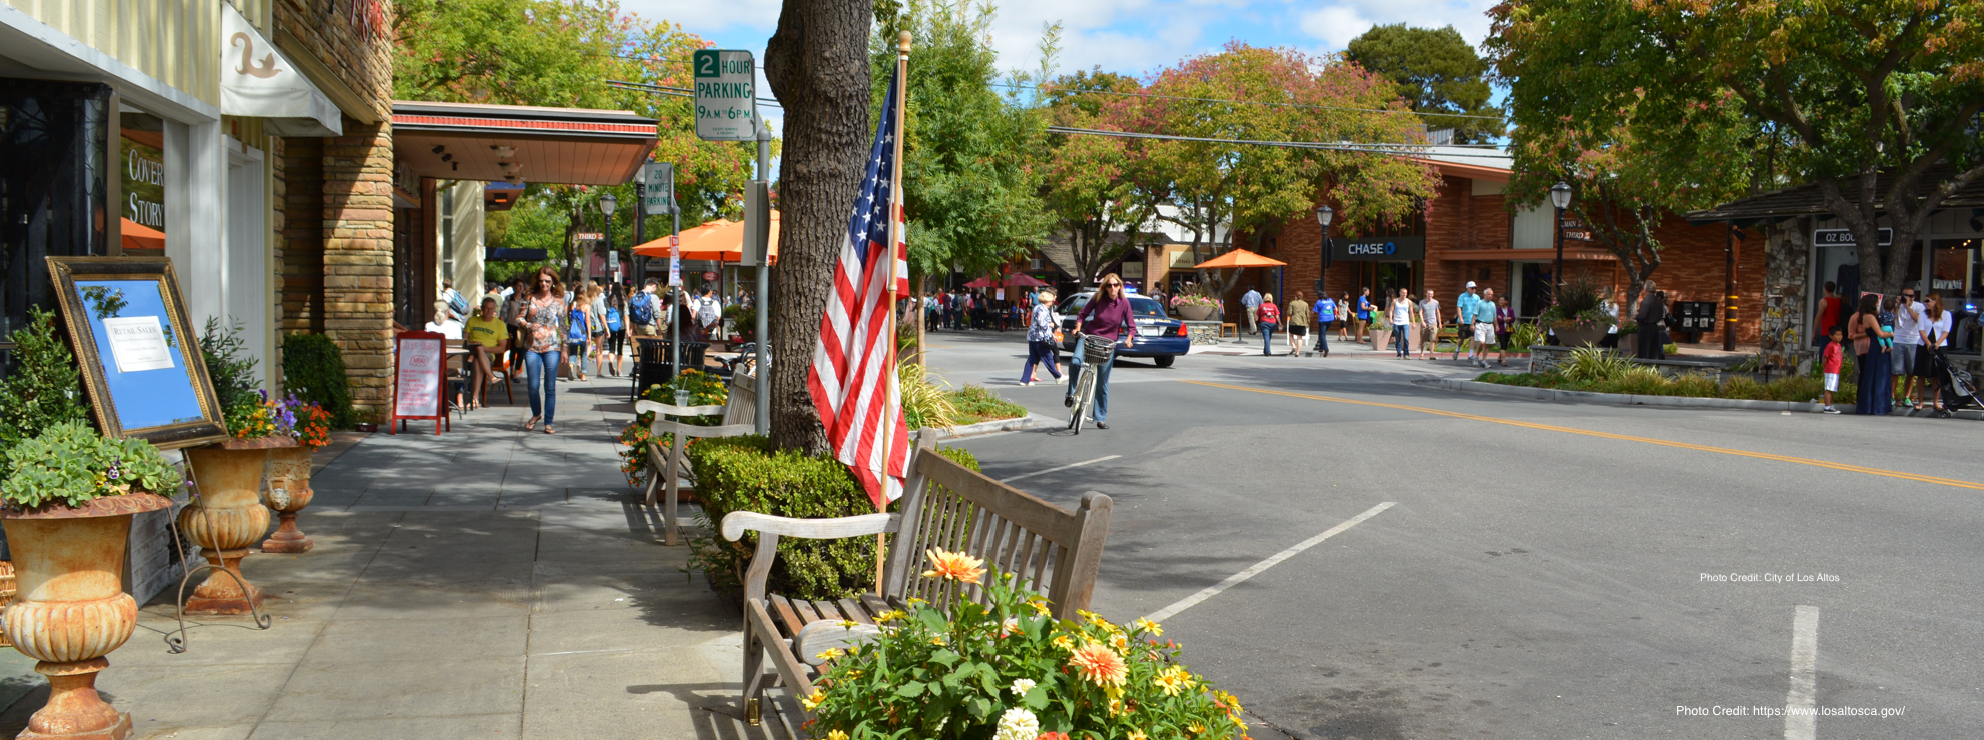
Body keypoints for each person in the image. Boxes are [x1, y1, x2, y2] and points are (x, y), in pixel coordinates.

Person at [1066, 273, 1135, 429]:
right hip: (1089, 337)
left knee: (1103, 383)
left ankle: (1100, 418)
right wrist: (1077, 328)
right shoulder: (1098, 298)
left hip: (1108, 344)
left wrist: (1129, 339)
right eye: (1109, 285)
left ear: (1120, 286)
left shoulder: (1124, 303)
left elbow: (1132, 326)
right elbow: (1082, 314)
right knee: (1075, 362)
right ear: (1105, 287)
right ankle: (1071, 393)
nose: (1113, 288)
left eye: (1116, 285)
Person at [520, 267, 568, 434]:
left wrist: (565, 348)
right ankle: (536, 414)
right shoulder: (529, 297)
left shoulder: (559, 301)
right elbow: (519, 318)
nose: (544, 284)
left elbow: (563, 325)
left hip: (552, 346)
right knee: (532, 386)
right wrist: (527, 324)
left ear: (553, 282)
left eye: (547, 281)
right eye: (541, 280)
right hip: (532, 346)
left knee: (550, 386)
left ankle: (548, 422)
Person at [461, 297, 509, 409]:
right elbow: (464, 341)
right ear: (482, 308)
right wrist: (473, 343)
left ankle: (475, 398)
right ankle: (492, 377)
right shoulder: (472, 320)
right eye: (486, 308)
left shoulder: (500, 324)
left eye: (491, 309)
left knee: (477, 359)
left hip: (487, 354)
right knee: (478, 348)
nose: (489, 311)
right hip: (470, 352)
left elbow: (502, 348)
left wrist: (484, 348)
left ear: (494, 310)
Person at [1852, 293, 1893, 416]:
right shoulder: (1869, 317)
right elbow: (1880, 333)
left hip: (1877, 347)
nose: (1878, 304)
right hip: (1876, 348)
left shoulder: (1873, 315)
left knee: (1880, 375)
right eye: (1877, 302)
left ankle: (1880, 405)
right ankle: (1876, 406)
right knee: (1878, 375)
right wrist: (1891, 334)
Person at [1917, 293, 1953, 410]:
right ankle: (1920, 401)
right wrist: (1928, 344)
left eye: (1928, 301)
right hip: (1924, 345)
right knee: (1922, 374)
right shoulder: (1923, 314)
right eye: (1924, 301)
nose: (1925, 303)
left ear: (1935, 301)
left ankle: (1936, 402)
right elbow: (1921, 330)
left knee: (1937, 375)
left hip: (1939, 346)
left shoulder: (1946, 314)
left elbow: (1946, 331)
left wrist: (1937, 343)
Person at [1021, 289, 1063, 386]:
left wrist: (1051, 333)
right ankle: (1058, 376)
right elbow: (1042, 323)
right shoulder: (1043, 309)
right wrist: (1050, 325)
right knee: (1048, 357)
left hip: (1033, 337)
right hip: (1040, 338)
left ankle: (1025, 380)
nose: (1051, 303)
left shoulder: (1037, 307)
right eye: (1050, 301)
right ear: (1046, 301)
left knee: (1032, 358)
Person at [565, 285, 592, 382]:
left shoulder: (571, 304)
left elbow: (569, 318)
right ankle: (583, 375)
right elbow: (587, 320)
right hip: (582, 332)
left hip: (573, 332)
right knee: (583, 353)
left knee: (573, 352)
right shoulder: (586, 306)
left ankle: (571, 368)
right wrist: (589, 334)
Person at [602, 282, 628, 377]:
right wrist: (628, 329)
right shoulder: (623, 300)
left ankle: (611, 361)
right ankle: (619, 370)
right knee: (620, 348)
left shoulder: (607, 300)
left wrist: (606, 327)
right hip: (621, 325)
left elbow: (604, 313)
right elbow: (626, 316)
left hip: (611, 325)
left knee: (611, 347)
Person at [1634, 288, 1668, 360]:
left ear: (1646, 290)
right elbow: (1661, 315)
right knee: (1653, 350)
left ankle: (1644, 364)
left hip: (1645, 327)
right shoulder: (1659, 303)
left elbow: (1643, 315)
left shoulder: (1646, 301)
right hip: (1655, 327)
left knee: (1644, 349)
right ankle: (1653, 363)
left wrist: (1637, 317)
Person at [1820, 324, 1844, 414]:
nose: (1839, 337)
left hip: (1836, 371)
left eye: (1840, 334)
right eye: (1837, 335)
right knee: (1829, 388)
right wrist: (1824, 368)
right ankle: (1827, 407)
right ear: (1831, 336)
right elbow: (1825, 357)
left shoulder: (1839, 345)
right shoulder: (1830, 346)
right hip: (1831, 370)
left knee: (1831, 388)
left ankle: (1829, 405)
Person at [1452, 282, 1479, 361]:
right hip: (1464, 321)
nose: (1474, 290)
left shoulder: (1477, 297)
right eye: (1472, 288)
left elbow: (1478, 308)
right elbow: (1459, 307)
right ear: (1468, 288)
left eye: (1475, 288)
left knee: (1473, 337)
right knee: (1461, 338)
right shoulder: (1462, 296)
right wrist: (1460, 318)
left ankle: (1471, 355)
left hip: (1473, 321)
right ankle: (1457, 349)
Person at [1388, 288, 1415, 358]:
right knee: (1398, 339)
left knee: (1406, 338)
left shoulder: (1409, 302)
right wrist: (1390, 319)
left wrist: (1413, 322)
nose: (1405, 294)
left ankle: (1406, 354)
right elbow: (1391, 310)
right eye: (1403, 293)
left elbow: (1411, 312)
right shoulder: (1395, 301)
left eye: (1406, 293)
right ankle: (1399, 354)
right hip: (1397, 322)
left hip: (1405, 322)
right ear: (1400, 293)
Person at [1492, 293, 1515, 366]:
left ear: (1506, 301)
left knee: (1505, 344)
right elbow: (1498, 319)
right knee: (1503, 344)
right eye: (1500, 300)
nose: (1500, 302)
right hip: (1500, 329)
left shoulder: (1510, 310)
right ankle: (1504, 360)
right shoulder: (1498, 310)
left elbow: (1513, 319)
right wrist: (1506, 319)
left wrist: (1505, 319)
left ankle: (1499, 357)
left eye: (1502, 300)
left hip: (1508, 329)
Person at [1418, 288, 1441, 360]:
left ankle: (1431, 355)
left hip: (1433, 323)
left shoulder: (1436, 302)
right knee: (1423, 339)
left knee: (1432, 339)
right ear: (1426, 294)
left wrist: (1439, 323)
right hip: (1425, 323)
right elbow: (1420, 312)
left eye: (1431, 294)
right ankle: (1422, 353)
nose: (1430, 295)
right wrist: (1422, 321)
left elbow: (1438, 313)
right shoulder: (1422, 302)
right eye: (1428, 294)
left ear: (1433, 295)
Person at [1286, 291, 1311, 355]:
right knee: (1299, 337)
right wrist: (1308, 323)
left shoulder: (1292, 303)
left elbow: (1289, 313)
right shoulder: (1305, 304)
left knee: (1291, 334)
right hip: (1302, 322)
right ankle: (1297, 352)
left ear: (1295, 296)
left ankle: (1293, 345)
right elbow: (1307, 315)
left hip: (1293, 322)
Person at [1311, 292, 1335, 357]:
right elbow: (1335, 308)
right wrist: (1336, 315)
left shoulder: (1319, 302)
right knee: (1322, 333)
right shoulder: (1330, 300)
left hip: (1323, 320)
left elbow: (1313, 311)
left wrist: (1309, 315)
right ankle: (1321, 348)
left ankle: (1326, 348)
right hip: (1331, 319)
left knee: (1322, 335)